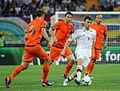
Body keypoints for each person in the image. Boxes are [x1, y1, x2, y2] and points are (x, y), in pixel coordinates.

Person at [5, 10, 54, 88]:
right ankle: (44, 81)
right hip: (35, 46)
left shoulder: (30, 24)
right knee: (48, 60)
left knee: (25, 65)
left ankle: (10, 78)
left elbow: (25, 37)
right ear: (43, 16)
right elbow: (43, 31)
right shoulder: (42, 21)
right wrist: (49, 40)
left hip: (28, 46)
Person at [62, 16, 96, 86]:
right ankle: (78, 78)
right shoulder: (78, 31)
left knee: (80, 69)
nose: (89, 24)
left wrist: (93, 52)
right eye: (87, 22)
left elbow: (93, 43)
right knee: (79, 63)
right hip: (80, 50)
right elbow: (69, 40)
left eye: (90, 22)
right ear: (84, 22)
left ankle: (67, 80)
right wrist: (64, 50)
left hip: (88, 53)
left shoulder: (94, 32)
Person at [48, 12, 75, 78]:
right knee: (49, 63)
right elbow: (50, 30)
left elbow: (71, 33)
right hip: (56, 46)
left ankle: (65, 74)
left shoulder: (71, 25)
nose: (69, 18)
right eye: (68, 17)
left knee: (72, 60)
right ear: (65, 17)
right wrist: (54, 38)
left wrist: (73, 39)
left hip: (64, 47)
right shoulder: (60, 23)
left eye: (70, 17)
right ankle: (44, 79)